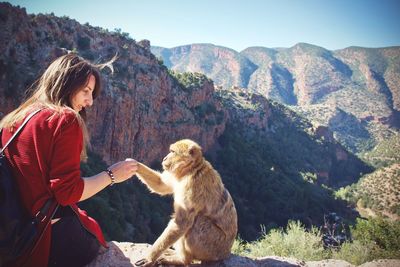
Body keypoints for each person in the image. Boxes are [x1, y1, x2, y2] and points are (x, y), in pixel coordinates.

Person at [0, 53, 138, 267]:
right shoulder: (65, 120)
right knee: (94, 238)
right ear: (66, 84)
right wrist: (112, 175)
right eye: (86, 91)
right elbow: (67, 193)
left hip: (14, 231)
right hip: (44, 238)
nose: (90, 102)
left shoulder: (18, 116)